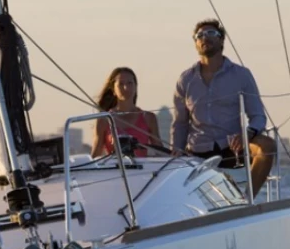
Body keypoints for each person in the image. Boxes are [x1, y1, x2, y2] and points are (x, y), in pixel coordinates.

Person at [171, 19, 276, 197]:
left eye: (211, 33)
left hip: (232, 148)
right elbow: (180, 123)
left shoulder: (241, 75)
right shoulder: (185, 79)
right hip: (197, 150)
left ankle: (246, 199)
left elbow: (258, 116)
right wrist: (176, 153)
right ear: (196, 43)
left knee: (268, 145)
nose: (205, 37)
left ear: (222, 40)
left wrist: (246, 135)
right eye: (200, 35)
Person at [91, 67, 162, 158]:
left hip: (142, 171)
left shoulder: (149, 118)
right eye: (121, 84)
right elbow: (95, 156)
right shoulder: (104, 120)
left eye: (130, 83)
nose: (126, 88)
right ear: (113, 90)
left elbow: (160, 152)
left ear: (136, 87)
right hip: (114, 170)